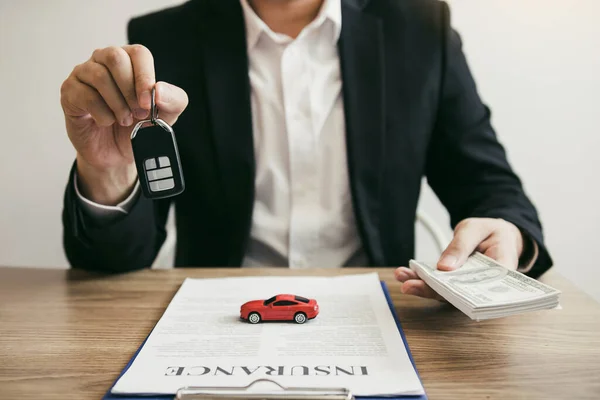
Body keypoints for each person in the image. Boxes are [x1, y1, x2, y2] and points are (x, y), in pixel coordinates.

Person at [60, 0, 552, 301]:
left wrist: (506, 233)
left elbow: (492, 189)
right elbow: (111, 266)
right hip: (211, 319)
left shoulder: (421, 28)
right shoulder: (167, 38)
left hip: (382, 312)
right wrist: (106, 173)